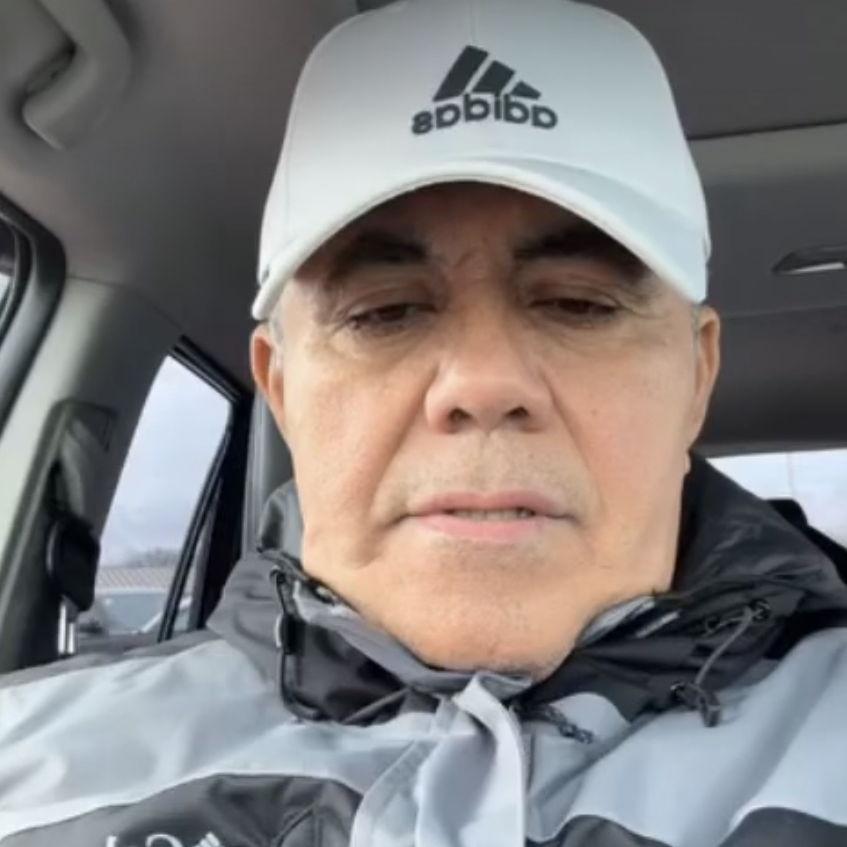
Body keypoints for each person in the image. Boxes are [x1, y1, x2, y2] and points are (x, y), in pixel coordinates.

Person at [2, 1, 847, 845]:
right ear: (281, 390)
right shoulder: (28, 764)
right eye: (384, 311)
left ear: (697, 376)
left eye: (578, 303)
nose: (482, 383)